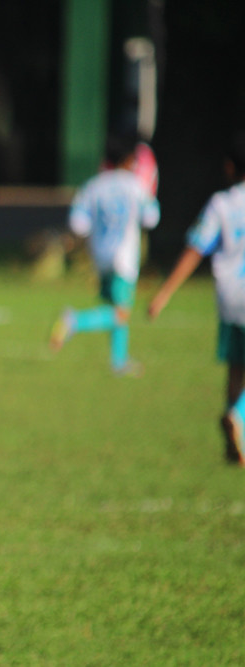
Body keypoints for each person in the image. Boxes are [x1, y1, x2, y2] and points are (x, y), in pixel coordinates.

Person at [148, 133, 245, 466]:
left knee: (236, 369)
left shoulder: (222, 204)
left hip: (230, 299)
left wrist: (163, 294)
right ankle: (238, 417)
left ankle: (235, 443)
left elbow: (195, 249)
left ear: (230, 167)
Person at [49, 133, 160, 375]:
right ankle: (73, 321)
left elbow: (78, 224)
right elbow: (152, 218)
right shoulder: (136, 186)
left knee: (115, 307)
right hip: (124, 257)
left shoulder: (94, 186)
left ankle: (118, 361)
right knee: (121, 312)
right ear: (131, 159)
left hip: (100, 256)